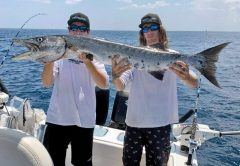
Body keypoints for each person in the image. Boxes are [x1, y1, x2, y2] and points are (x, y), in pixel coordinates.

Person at [111, 13, 198, 166]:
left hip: (160, 124)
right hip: (133, 123)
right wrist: (115, 75)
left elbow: (194, 84)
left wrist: (185, 77)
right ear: (142, 33)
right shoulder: (133, 55)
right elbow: (120, 86)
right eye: (145, 29)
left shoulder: (172, 56)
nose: (149, 32)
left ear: (160, 30)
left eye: (153, 27)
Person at [42, 12, 109, 166]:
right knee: (51, 162)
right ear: (68, 30)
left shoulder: (95, 53)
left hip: (84, 121)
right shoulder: (59, 53)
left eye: (83, 28)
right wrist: (49, 61)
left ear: (88, 32)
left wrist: (88, 62)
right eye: (74, 27)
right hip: (57, 119)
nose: (78, 31)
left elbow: (104, 84)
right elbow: (47, 82)